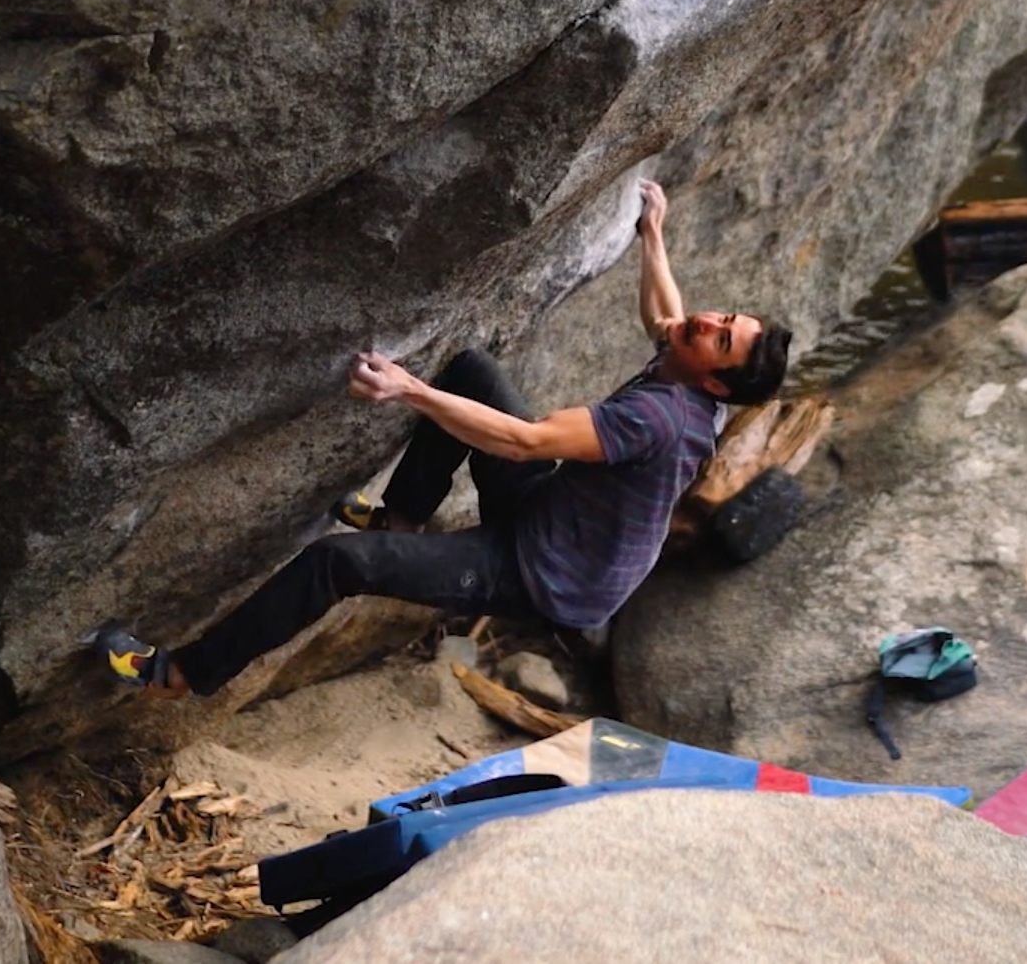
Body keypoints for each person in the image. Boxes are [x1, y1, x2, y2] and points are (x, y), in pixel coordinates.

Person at [95, 178, 793, 695]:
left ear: (717, 387)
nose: (704, 322)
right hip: (556, 516)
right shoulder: (688, 362)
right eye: (722, 317)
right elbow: (666, 316)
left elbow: (523, 442)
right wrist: (654, 235)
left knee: (338, 563)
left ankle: (181, 672)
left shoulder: (660, 421)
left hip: (542, 574)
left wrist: (412, 392)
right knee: (473, 371)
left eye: (721, 338)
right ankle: (400, 517)